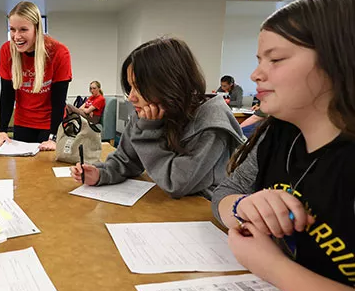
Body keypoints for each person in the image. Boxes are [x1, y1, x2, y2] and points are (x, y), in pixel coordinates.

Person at [211, 0, 355, 291]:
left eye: (276, 60)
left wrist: (272, 266)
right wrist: (243, 206)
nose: (256, 73)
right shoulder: (279, 132)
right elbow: (222, 197)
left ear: (338, 61)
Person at [71, 37, 244, 200]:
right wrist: (102, 173)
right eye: (130, 87)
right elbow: (127, 160)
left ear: (170, 84)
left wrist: (149, 132)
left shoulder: (211, 123)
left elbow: (176, 183)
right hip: (168, 209)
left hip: (204, 214)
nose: (131, 97)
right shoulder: (146, 113)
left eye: (139, 87)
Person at [0, 1, 72, 151]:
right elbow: (7, 94)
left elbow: (59, 100)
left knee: (46, 170)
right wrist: (3, 130)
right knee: (23, 171)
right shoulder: (7, 51)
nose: (16, 36)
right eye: (12, 29)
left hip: (50, 122)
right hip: (22, 122)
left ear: (37, 29)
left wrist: (53, 137)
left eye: (23, 29)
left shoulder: (59, 52)